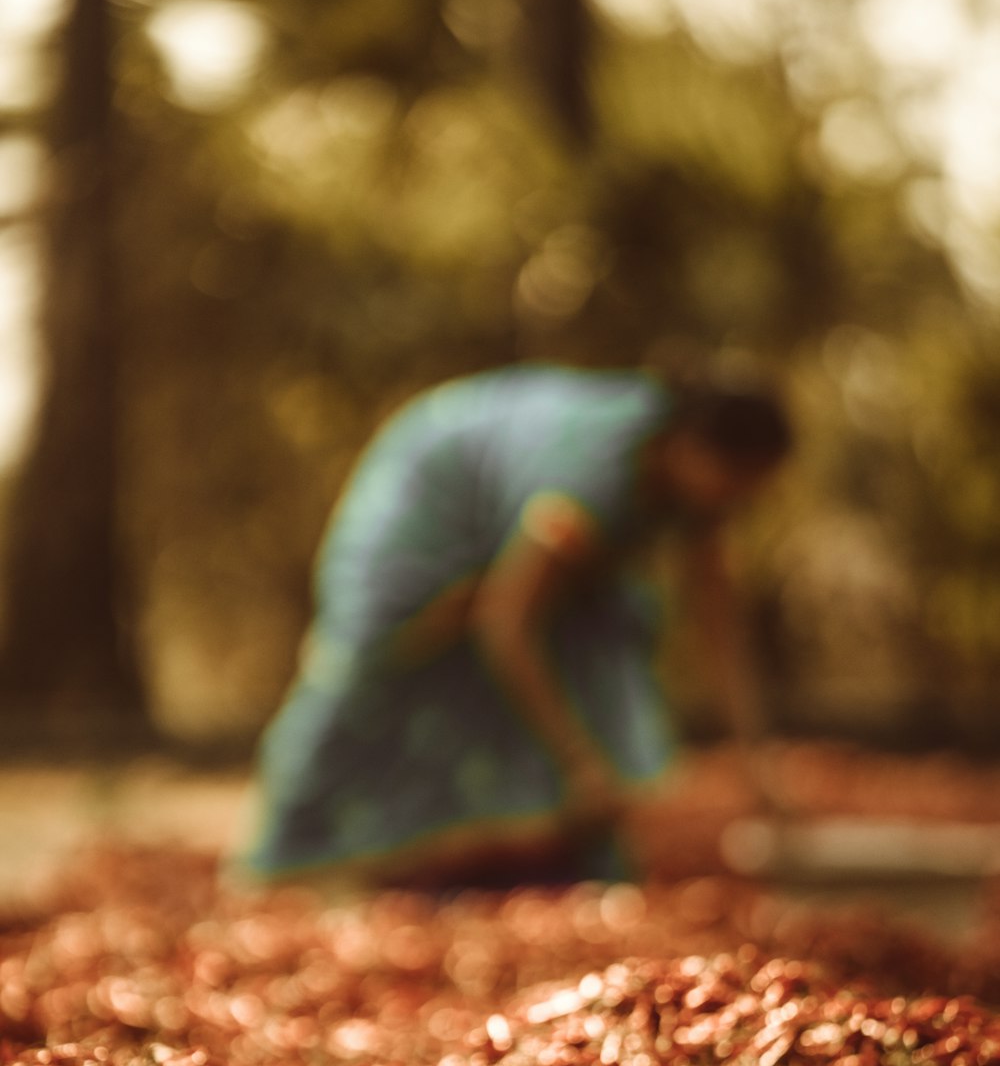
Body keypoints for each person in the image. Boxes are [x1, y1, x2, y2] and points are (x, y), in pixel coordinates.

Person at [237, 359, 792, 889]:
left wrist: (758, 767)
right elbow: (506, 623)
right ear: (690, 444)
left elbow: (718, 628)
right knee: (398, 664)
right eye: (736, 474)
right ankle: (312, 850)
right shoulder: (588, 478)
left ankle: (538, 855)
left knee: (601, 632)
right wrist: (580, 764)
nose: (742, 496)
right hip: (435, 498)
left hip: (512, 528)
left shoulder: (693, 489)